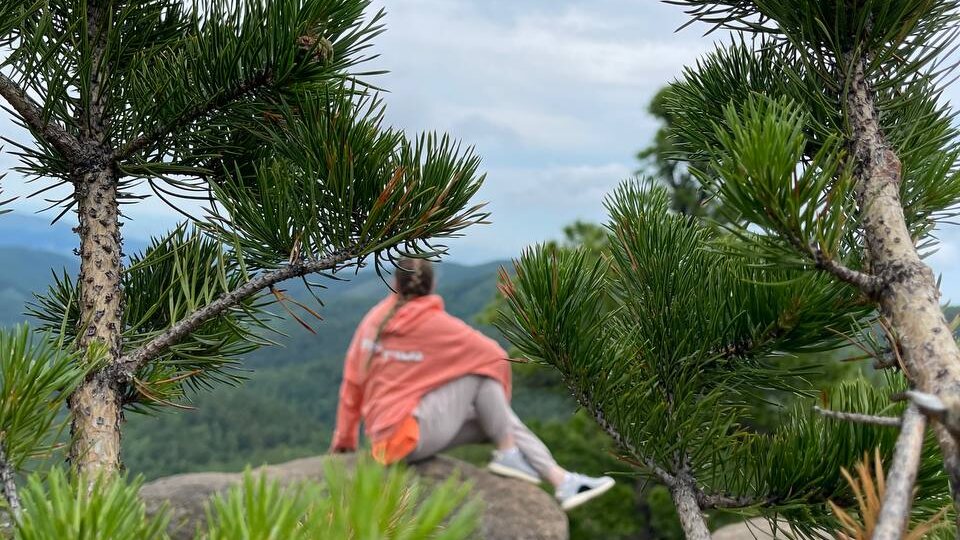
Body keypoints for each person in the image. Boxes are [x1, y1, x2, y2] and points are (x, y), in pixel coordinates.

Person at [330, 257, 614, 511]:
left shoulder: (373, 321)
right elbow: (495, 357)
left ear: (394, 283)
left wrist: (345, 440)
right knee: (480, 376)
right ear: (432, 285)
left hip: (383, 442)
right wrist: (499, 402)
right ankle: (510, 454)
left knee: (496, 419)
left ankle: (561, 480)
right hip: (407, 438)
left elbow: (352, 384)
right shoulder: (434, 323)